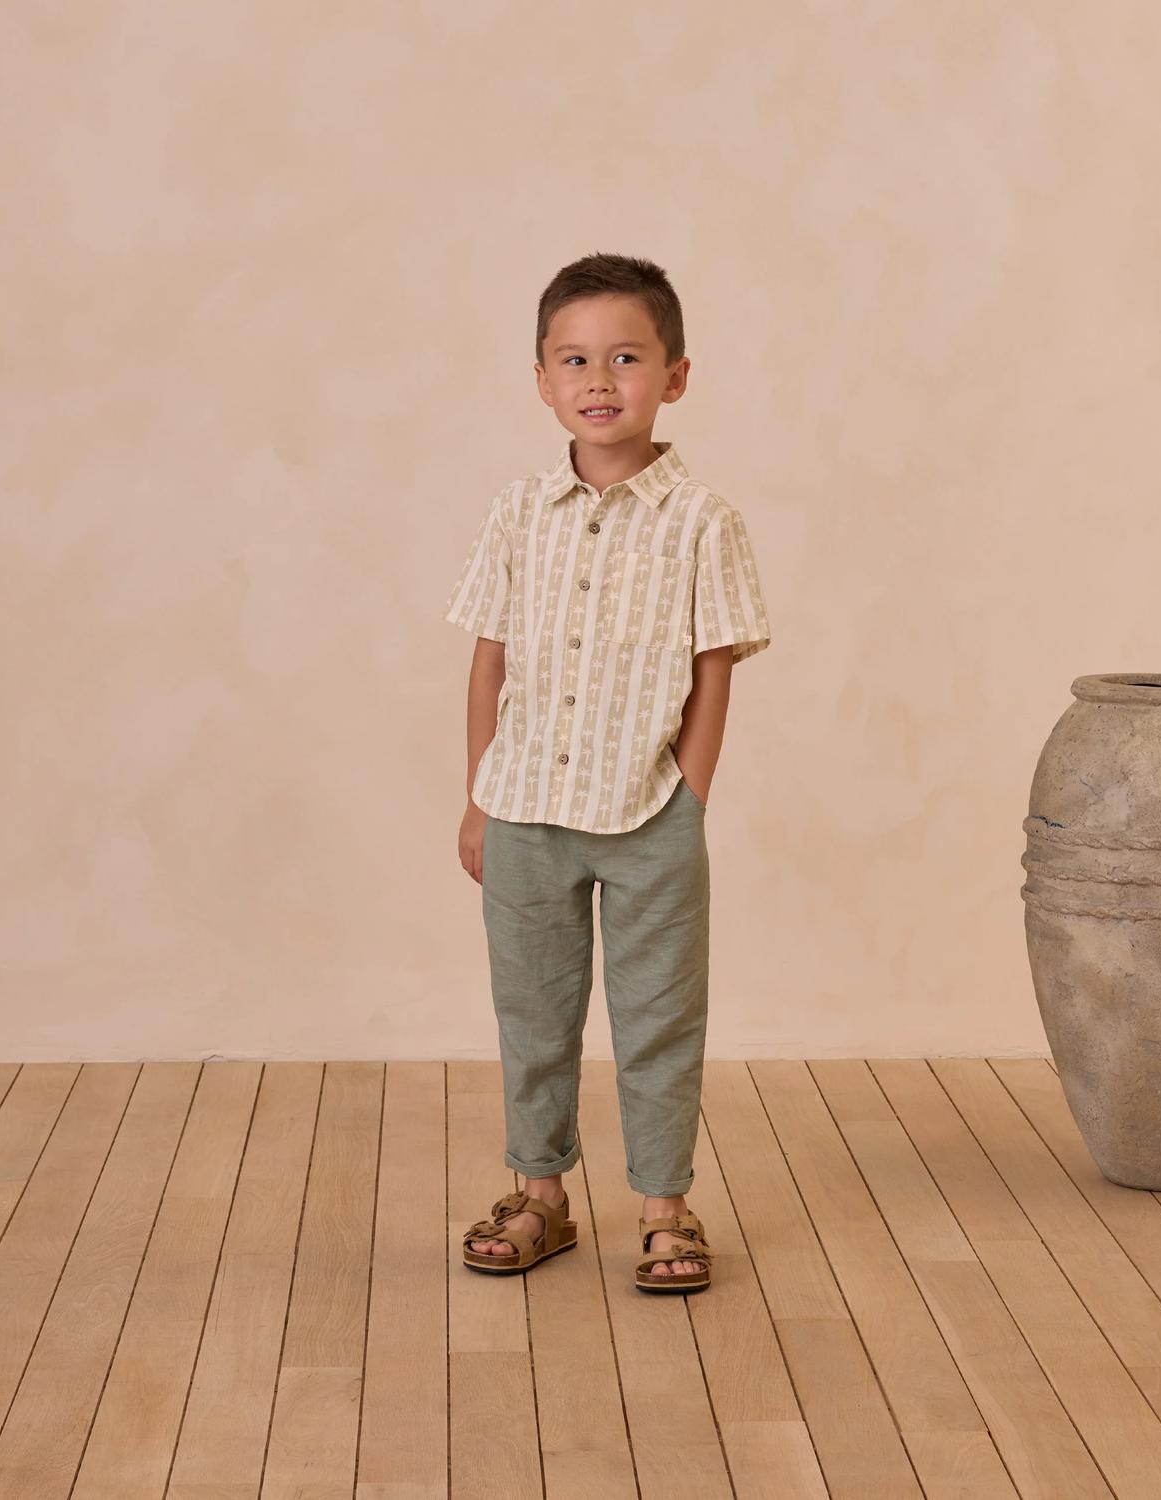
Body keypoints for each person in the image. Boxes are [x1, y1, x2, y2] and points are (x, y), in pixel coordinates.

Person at [443, 252, 771, 1293]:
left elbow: (714, 664)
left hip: (650, 814)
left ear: (674, 375)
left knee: (659, 1018)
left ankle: (666, 1208)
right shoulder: (517, 512)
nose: (599, 380)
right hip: (525, 809)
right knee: (533, 1015)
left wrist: (691, 798)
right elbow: (489, 660)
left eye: (626, 358)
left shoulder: (703, 521)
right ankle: (538, 1195)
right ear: (542, 380)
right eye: (574, 360)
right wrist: (479, 798)